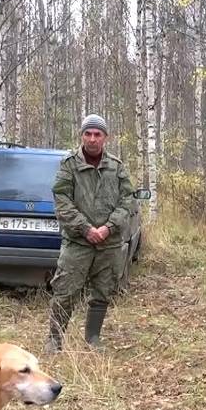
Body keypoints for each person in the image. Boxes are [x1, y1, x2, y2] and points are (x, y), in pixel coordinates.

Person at [45, 114, 136, 353]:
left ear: (106, 137)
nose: (92, 139)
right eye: (88, 133)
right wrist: (86, 229)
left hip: (109, 244)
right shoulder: (69, 165)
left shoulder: (116, 167)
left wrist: (109, 227)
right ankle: (54, 340)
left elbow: (127, 201)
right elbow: (62, 200)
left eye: (97, 134)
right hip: (78, 243)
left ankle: (93, 338)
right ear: (82, 135)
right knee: (65, 291)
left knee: (103, 292)